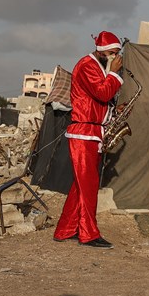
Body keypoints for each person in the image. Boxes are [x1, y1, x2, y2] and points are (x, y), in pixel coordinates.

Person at [53, 31, 124, 249]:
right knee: (89, 185)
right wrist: (113, 74)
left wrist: (114, 110)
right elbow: (102, 93)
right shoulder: (87, 66)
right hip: (83, 133)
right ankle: (88, 234)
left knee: (81, 185)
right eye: (113, 53)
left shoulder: (98, 66)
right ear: (103, 51)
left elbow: (98, 101)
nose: (116, 57)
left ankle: (65, 230)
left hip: (93, 132)